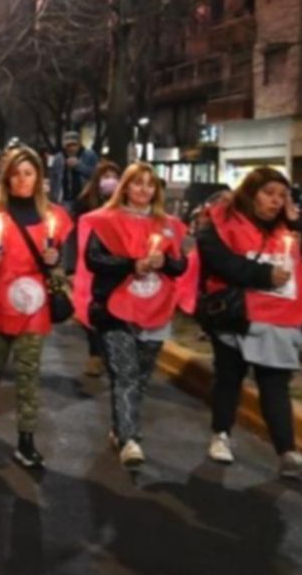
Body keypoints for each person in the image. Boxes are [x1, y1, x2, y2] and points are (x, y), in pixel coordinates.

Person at [198, 167, 302, 477]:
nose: (275, 201)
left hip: (280, 318)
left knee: (275, 385)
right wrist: (262, 275)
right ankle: (221, 435)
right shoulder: (219, 219)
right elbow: (217, 260)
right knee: (229, 378)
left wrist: (299, 220)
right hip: (235, 314)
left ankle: (288, 454)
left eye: (282, 196)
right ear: (251, 192)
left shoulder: (290, 224)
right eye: (269, 194)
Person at [77, 163, 189, 467]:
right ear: (125, 186)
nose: (144, 190)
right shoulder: (106, 221)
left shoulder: (167, 225)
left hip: (155, 309)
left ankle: (120, 427)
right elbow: (94, 258)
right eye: (137, 183)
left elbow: (181, 266)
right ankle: (130, 439)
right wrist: (131, 265)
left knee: (139, 377)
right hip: (115, 309)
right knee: (125, 373)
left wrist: (163, 260)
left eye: (150, 185)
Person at [0, 146, 73, 468]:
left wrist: (54, 260)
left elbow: (60, 262)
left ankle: (26, 439)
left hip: (33, 304)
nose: (22, 180)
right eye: (16, 173)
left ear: (39, 177)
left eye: (29, 173)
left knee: (28, 373)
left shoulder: (53, 217)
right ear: (7, 177)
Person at [72, 160, 122, 378]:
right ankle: (95, 353)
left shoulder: (124, 204)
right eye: (105, 176)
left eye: (114, 176)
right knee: (90, 309)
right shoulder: (85, 203)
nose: (110, 181)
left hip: (116, 265)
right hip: (89, 263)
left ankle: (109, 352)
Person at [50, 131, 98, 209]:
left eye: (74, 145)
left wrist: (79, 166)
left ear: (79, 144)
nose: (71, 148)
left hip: (85, 199)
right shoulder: (58, 158)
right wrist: (54, 198)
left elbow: (96, 175)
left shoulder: (90, 155)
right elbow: (54, 179)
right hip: (64, 200)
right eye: (68, 145)